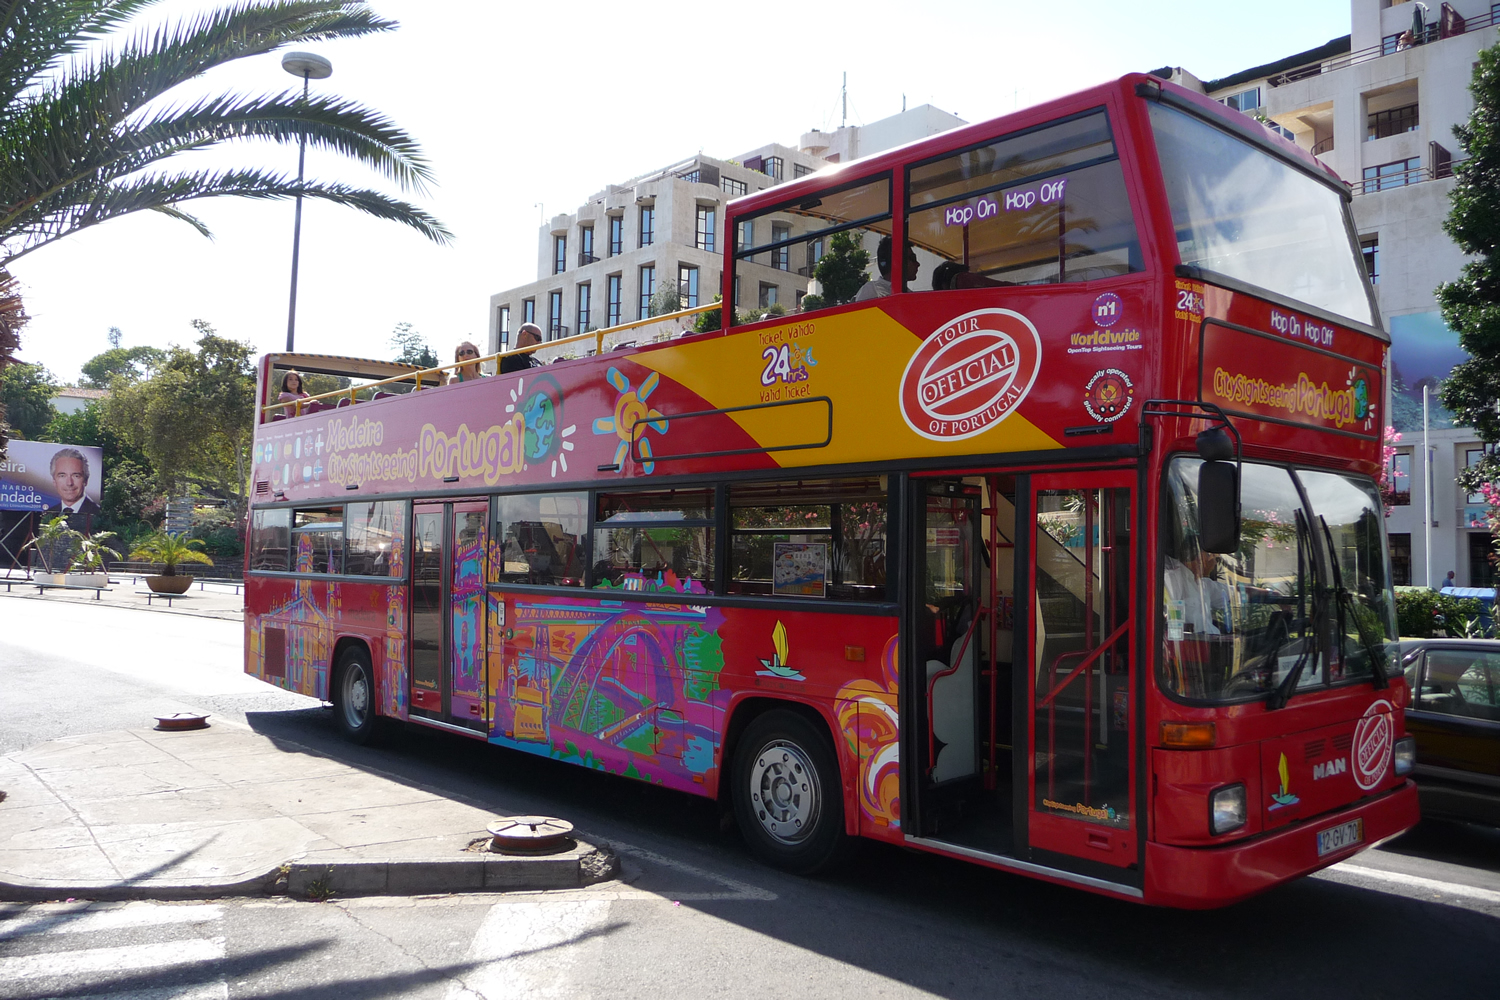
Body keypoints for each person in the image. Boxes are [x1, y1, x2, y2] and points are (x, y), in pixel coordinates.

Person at [1163, 546, 1232, 637]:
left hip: (1211, 643)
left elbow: (1233, 594)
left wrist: (1253, 593)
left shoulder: (1204, 585)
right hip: (1189, 645)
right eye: (1214, 558)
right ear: (1200, 558)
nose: (1214, 563)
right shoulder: (1173, 579)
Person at [42, 448, 101, 520]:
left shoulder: (98, 513)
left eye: (76, 476)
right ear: (54, 481)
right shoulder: (48, 513)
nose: (69, 483)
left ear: (85, 480)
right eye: (62, 476)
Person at [855, 236, 920, 301]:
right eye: (913, 258)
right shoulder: (872, 290)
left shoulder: (909, 294)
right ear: (897, 263)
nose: (918, 264)